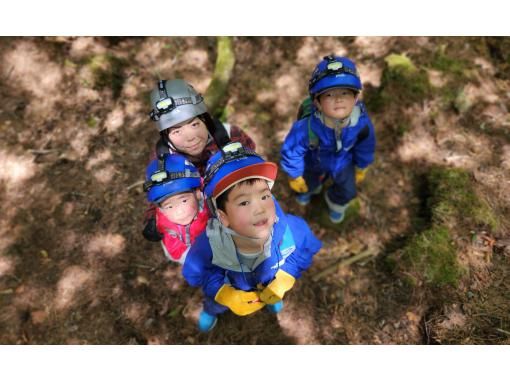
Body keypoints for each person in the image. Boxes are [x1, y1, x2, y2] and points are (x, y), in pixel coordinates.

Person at [182, 142, 322, 332]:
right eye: (244, 202)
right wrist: (223, 293)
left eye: (264, 196)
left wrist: (287, 274)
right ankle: (212, 310)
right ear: (223, 216)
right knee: (217, 304)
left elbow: (307, 246)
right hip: (232, 288)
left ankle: (270, 299)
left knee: (271, 294)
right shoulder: (209, 244)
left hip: (270, 283)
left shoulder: (290, 228)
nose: (260, 208)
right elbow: (194, 272)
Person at [143, 79, 256, 242]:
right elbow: (160, 192)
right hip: (198, 219)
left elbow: (252, 164)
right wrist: (152, 219)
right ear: (166, 136)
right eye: (176, 131)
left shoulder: (229, 136)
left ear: (205, 119)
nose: (190, 137)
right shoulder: (163, 157)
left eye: (194, 124)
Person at [280, 55, 376, 224]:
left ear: (355, 98)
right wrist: (295, 175)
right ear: (317, 102)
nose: (338, 99)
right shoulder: (306, 128)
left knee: (348, 191)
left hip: (343, 162)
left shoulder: (360, 122)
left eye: (345, 93)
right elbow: (291, 152)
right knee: (307, 183)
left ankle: (335, 202)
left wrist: (362, 165)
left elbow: (366, 144)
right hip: (313, 162)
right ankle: (308, 192)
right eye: (330, 94)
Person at [144, 153, 209, 264]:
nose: (179, 212)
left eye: (184, 200)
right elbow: (174, 252)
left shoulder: (211, 203)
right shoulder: (162, 220)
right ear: (161, 209)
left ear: (197, 193)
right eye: (169, 206)